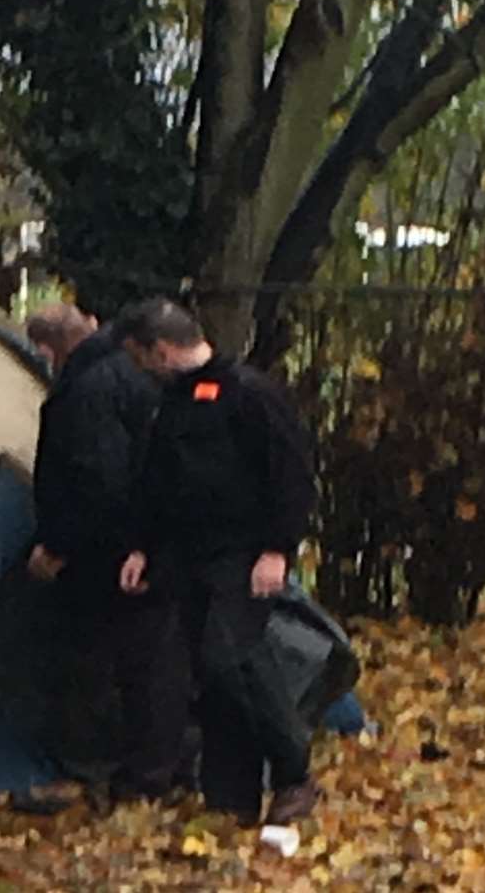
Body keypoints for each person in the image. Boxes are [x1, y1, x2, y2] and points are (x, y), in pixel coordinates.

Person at [114, 298, 320, 825]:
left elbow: (291, 477)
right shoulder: (173, 404)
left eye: (140, 358)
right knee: (210, 675)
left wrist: (277, 548)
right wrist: (141, 545)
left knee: (233, 659)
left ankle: (295, 769)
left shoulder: (250, 395)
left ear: (160, 352)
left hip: (243, 556)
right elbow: (156, 482)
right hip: (185, 558)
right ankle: (232, 798)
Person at [23, 304, 185, 805]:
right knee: (153, 663)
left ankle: (103, 771)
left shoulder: (88, 389)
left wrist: (60, 547)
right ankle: (154, 769)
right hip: (143, 543)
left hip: (105, 552)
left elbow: (92, 478)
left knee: (99, 661)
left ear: (48, 351)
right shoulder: (130, 372)